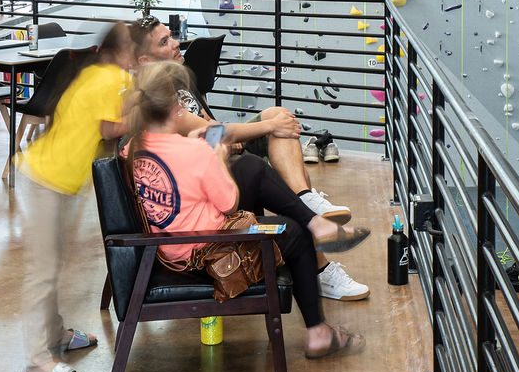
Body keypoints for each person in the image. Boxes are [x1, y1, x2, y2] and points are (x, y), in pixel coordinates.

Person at [124, 59, 367, 362]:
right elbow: (228, 202)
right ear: (176, 108)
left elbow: (177, 174)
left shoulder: (131, 147)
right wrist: (216, 157)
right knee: (296, 235)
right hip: (205, 249)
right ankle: (319, 333)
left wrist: (202, 148)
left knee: (250, 167)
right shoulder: (193, 152)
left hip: (168, 245)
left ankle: (318, 222)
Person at [129, 18, 369, 301]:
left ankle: (305, 198)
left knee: (277, 116)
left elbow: (209, 124)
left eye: (171, 36)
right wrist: (244, 133)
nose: (176, 43)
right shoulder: (156, 98)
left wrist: (232, 135)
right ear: (144, 60)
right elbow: (207, 135)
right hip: (207, 183)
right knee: (262, 150)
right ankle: (319, 259)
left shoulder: (178, 77)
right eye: (165, 42)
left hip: (216, 156)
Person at [16, 21, 137, 372]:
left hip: (57, 180)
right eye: (132, 46)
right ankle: (38, 362)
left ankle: (55, 334)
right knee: (43, 270)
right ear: (120, 52)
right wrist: (149, 107)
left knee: (53, 263)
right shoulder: (114, 78)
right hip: (46, 179)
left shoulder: (99, 73)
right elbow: (110, 128)